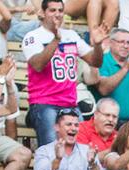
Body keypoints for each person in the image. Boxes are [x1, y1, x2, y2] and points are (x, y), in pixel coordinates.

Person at [23, 0, 108, 145]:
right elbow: (38, 65)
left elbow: (95, 62)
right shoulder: (32, 37)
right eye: (52, 10)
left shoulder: (71, 35)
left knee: (80, 148)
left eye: (60, 10)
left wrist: (98, 45)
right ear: (42, 13)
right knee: (51, 148)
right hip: (44, 102)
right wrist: (55, 40)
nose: (57, 14)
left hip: (70, 103)